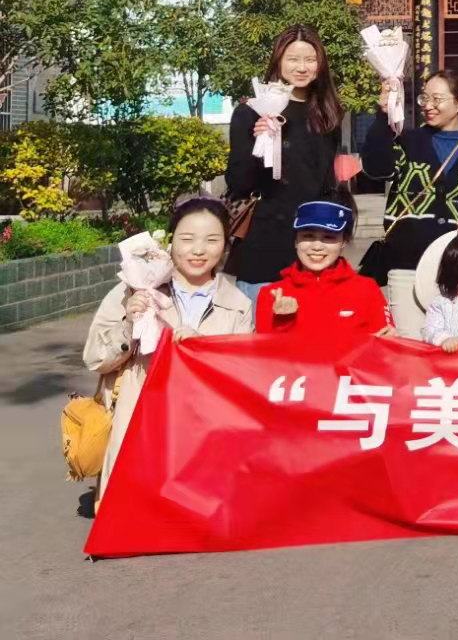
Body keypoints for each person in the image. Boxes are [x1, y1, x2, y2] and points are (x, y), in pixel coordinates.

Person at [83, 199, 253, 502]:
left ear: (225, 245)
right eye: (187, 239)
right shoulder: (135, 290)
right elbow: (95, 358)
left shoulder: (238, 304)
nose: (198, 250)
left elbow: (243, 378)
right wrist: (128, 326)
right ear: (171, 241)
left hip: (203, 439)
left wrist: (204, 350)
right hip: (141, 429)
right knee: (135, 516)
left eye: (212, 240)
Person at [362, 69, 458, 337]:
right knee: (410, 343)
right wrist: (383, 114)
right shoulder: (407, 141)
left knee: (456, 344)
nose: (428, 105)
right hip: (406, 263)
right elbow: (376, 167)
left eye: (437, 99)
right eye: (424, 98)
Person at [225, 24, 341, 315]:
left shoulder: (326, 114)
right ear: (278, 61)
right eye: (293, 59)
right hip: (265, 244)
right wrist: (259, 141)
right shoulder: (251, 112)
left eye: (310, 59)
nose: (301, 67)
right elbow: (238, 183)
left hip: (312, 248)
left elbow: (326, 184)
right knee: (263, 334)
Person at [256, 198, 394, 336]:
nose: (317, 247)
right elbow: (264, 348)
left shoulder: (367, 289)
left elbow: (386, 343)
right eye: (308, 236)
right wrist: (282, 322)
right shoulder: (272, 294)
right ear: (296, 241)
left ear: (343, 242)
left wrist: (390, 341)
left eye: (329, 237)